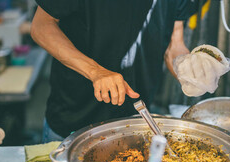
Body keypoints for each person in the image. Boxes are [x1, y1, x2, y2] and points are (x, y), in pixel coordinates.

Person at [31, 0, 194, 142]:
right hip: (75, 120)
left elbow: (174, 47)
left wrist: (192, 70)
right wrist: (95, 71)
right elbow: (41, 26)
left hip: (136, 120)